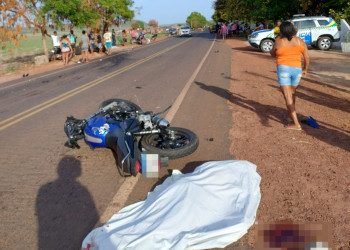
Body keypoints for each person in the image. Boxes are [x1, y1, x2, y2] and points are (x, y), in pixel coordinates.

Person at [270, 21, 310, 130]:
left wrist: (278, 40)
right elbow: (306, 57)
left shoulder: (279, 42)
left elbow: (272, 54)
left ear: (282, 31)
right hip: (297, 70)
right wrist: (305, 69)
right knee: (292, 94)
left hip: (284, 70)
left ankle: (296, 124)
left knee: (288, 97)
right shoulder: (300, 41)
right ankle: (289, 116)